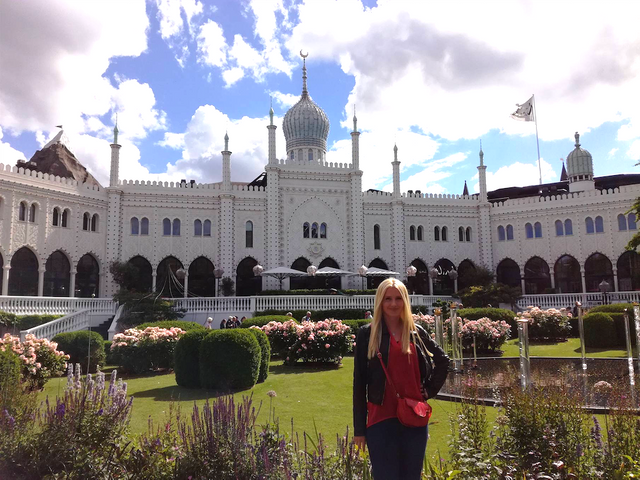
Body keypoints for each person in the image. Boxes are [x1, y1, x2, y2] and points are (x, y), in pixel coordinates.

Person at [353, 278, 449, 480]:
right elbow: (359, 385)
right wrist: (359, 430)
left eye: (398, 298)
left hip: (414, 419)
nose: (393, 304)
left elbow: (443, 360)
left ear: (405, 301)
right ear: (380, 301)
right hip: (381, 420)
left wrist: (429, 390)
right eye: (388, 299)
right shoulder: (368, 335)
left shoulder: (415, 332)